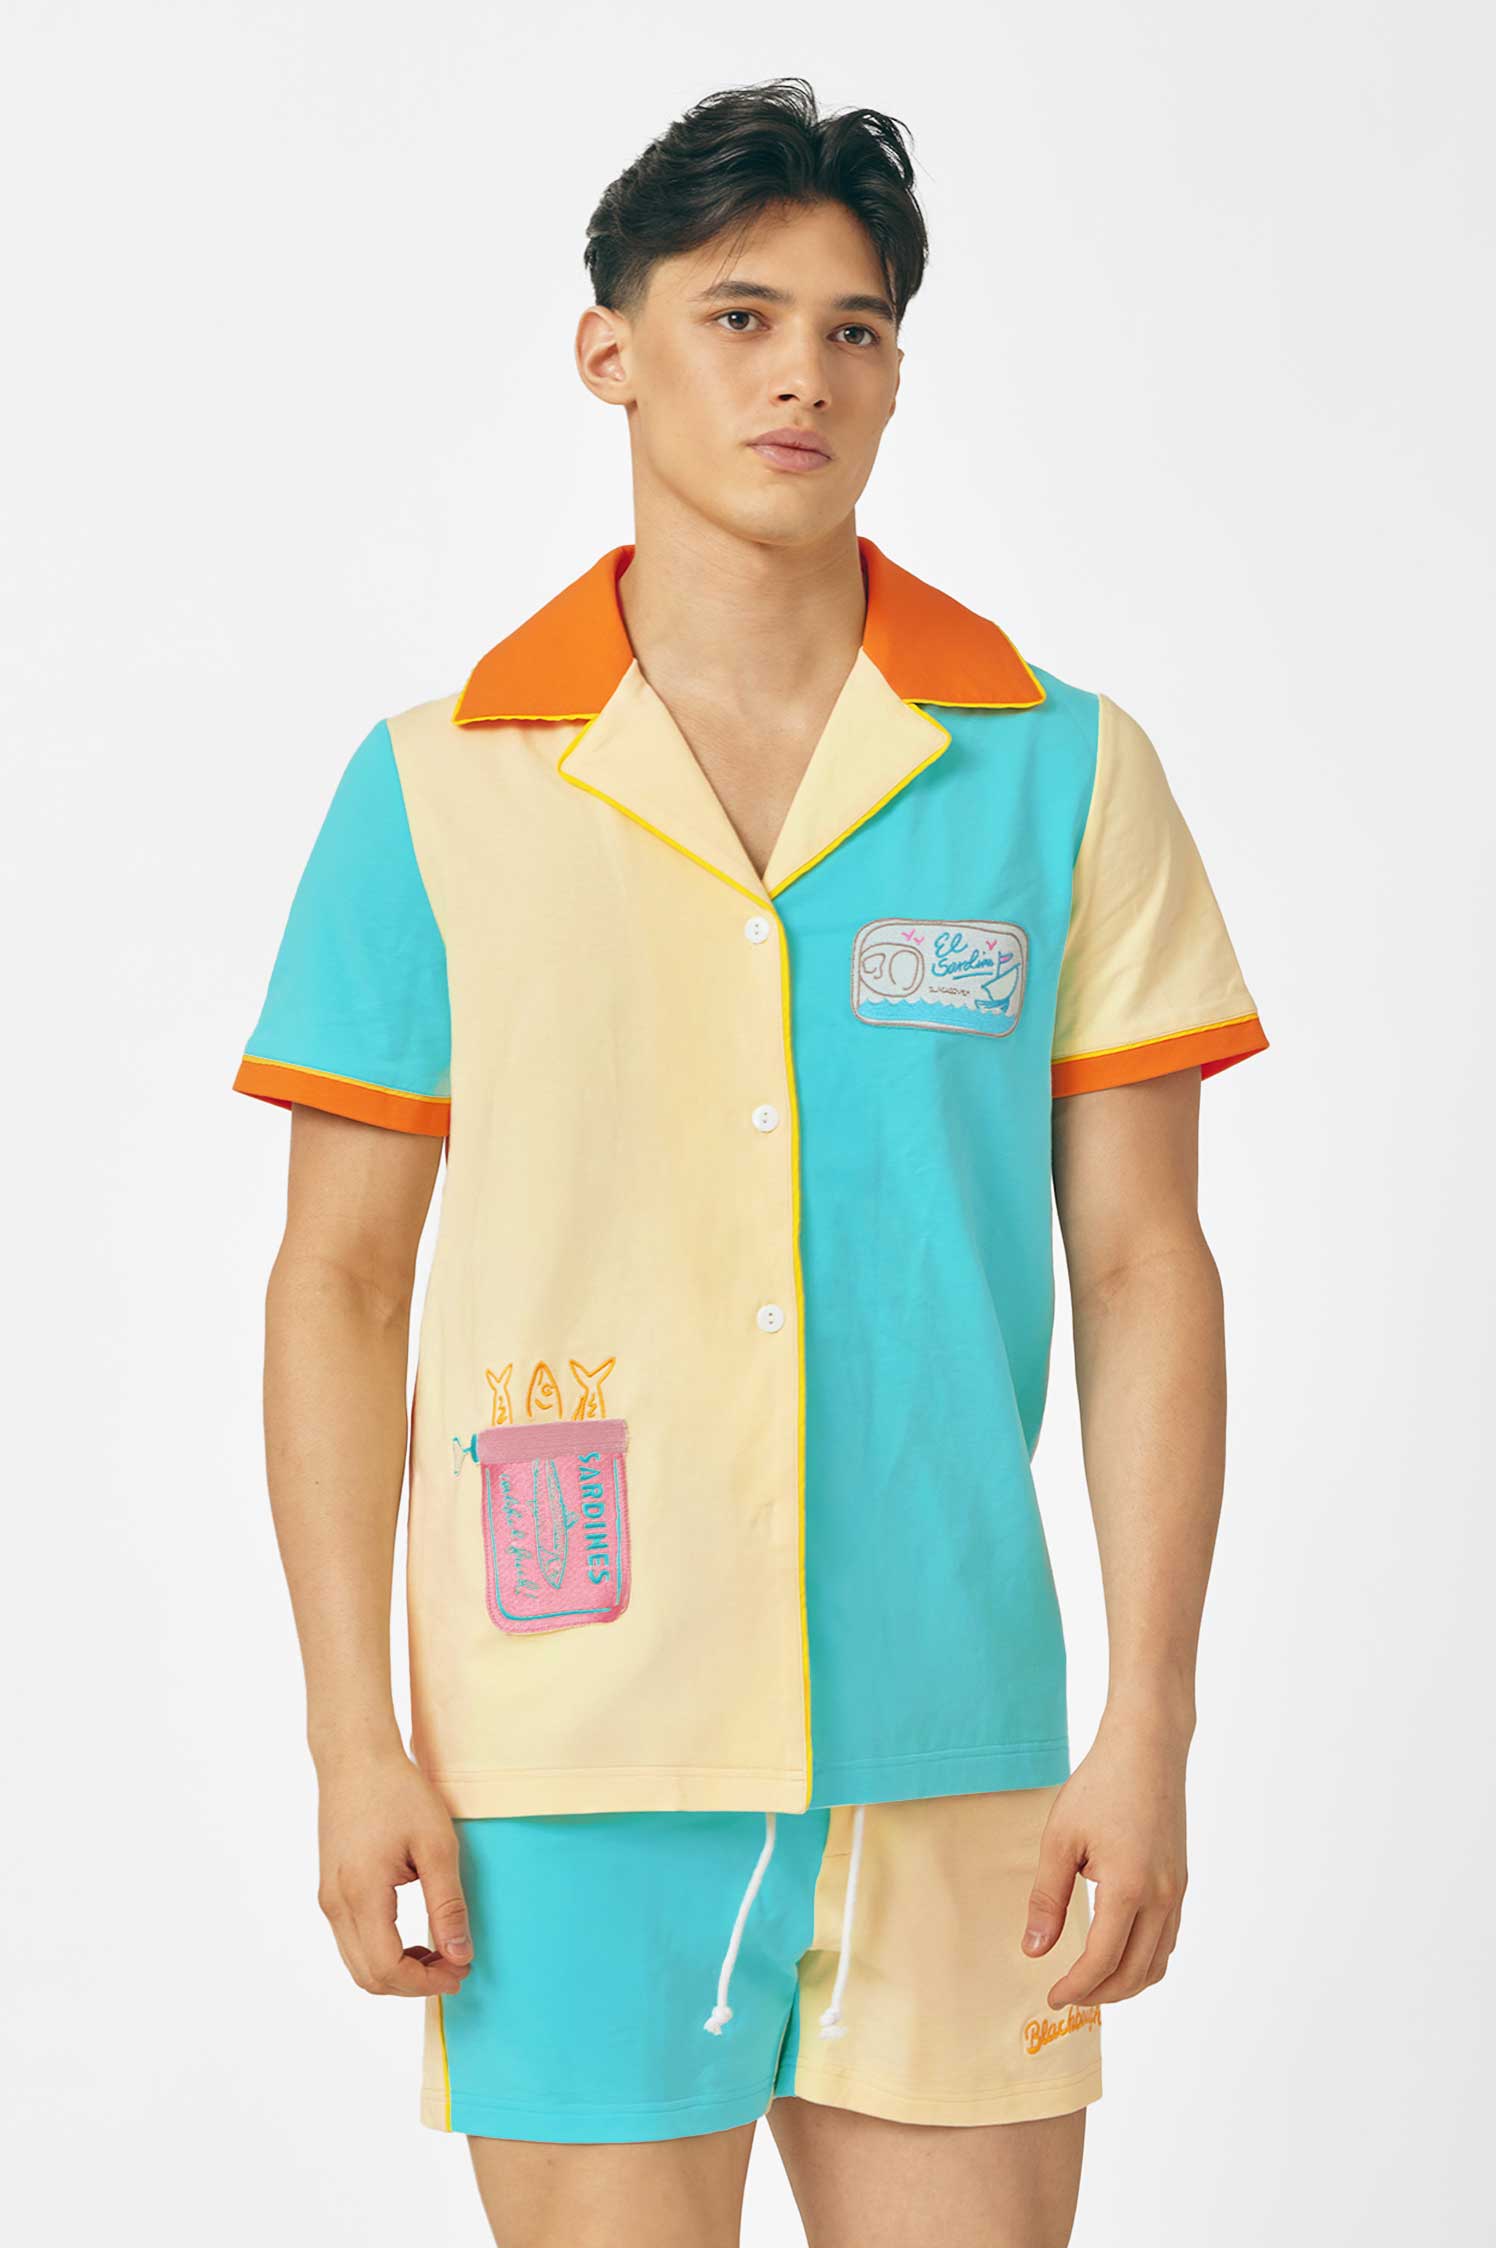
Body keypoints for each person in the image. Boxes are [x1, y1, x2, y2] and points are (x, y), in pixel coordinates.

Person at [232, 75, 1268, 2248]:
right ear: (608, 349)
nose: (803, 373)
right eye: (739, 316)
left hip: (963, 1749)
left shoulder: (1062, 774)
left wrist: (1149, 1722)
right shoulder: (437, 790)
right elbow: (336, 1280)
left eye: (854, 328)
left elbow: (1143, 1265)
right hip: (564, 1750)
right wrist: (350, 1733)